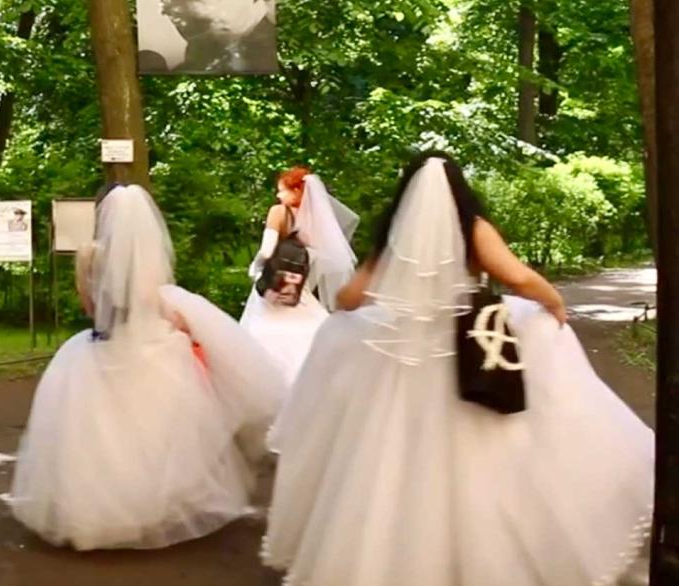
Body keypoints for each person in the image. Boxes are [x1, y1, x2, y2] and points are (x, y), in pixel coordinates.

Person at [261, 153, 653, 586]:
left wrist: (372, 309)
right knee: (483, 470)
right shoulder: (473, 229)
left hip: (401, 363)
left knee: (398, 467)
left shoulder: (394, 235)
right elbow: (516, 277)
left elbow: (350, 297)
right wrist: (553, 302)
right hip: (467, 354)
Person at [7, 184, 286, 551]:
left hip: (101, 347)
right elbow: (154, 302)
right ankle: (154, 511)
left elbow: (89, 308)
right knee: (158, 434)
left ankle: (91, 516)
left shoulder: (88, 256)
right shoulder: (147, 261)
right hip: (148, 347)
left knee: (94, 436)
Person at [242, 167, 357, 393]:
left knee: (262, 335)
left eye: (282, 191)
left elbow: (267, 251)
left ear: (296, 191)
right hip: (299, 289)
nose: (278, 196)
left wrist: (255, 268)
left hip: (273, 285)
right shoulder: (316, 223)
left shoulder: (278, 212)